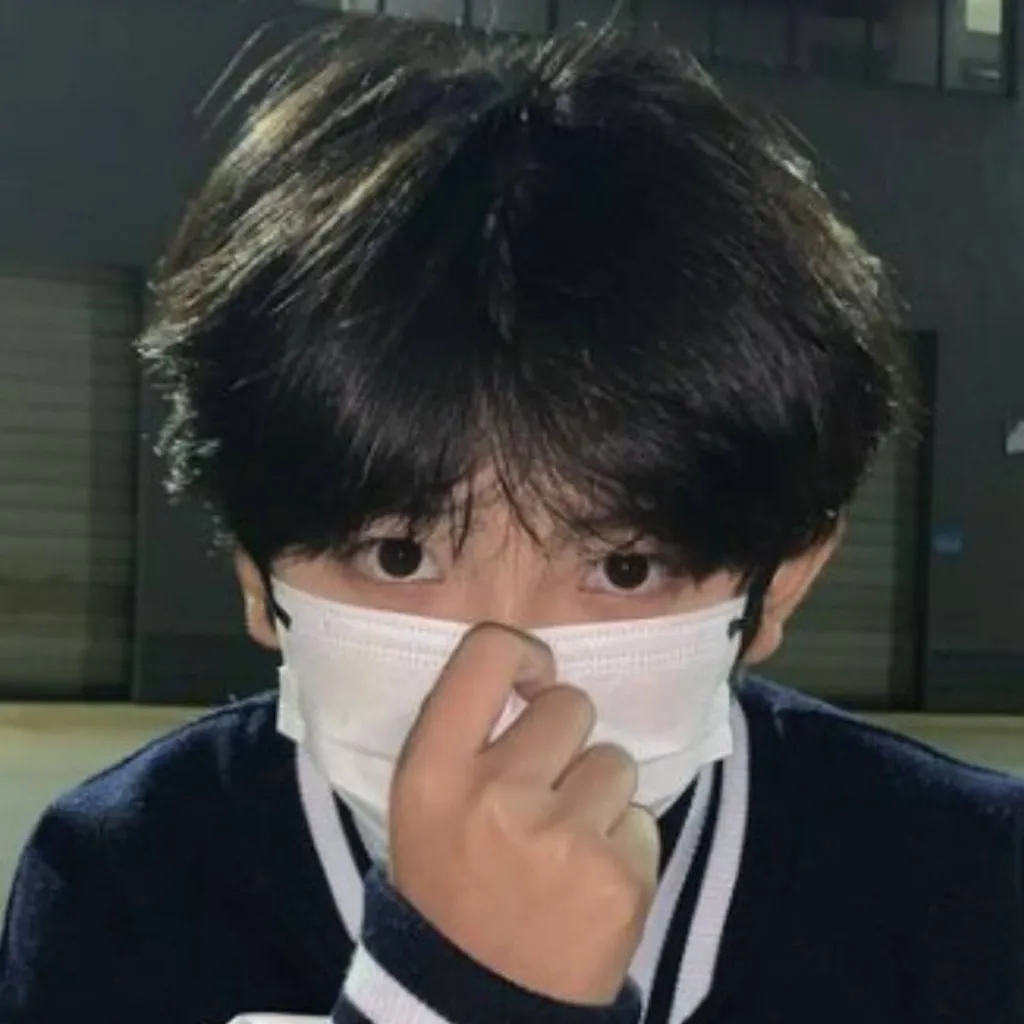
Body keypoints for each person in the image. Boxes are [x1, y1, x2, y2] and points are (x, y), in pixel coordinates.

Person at [2, 15, 1022, 1024]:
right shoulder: (123, 879)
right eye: (398, 554)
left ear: (780, 584)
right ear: (253, 571)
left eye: (626, 567)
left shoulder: (971, 882)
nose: (500, 676)